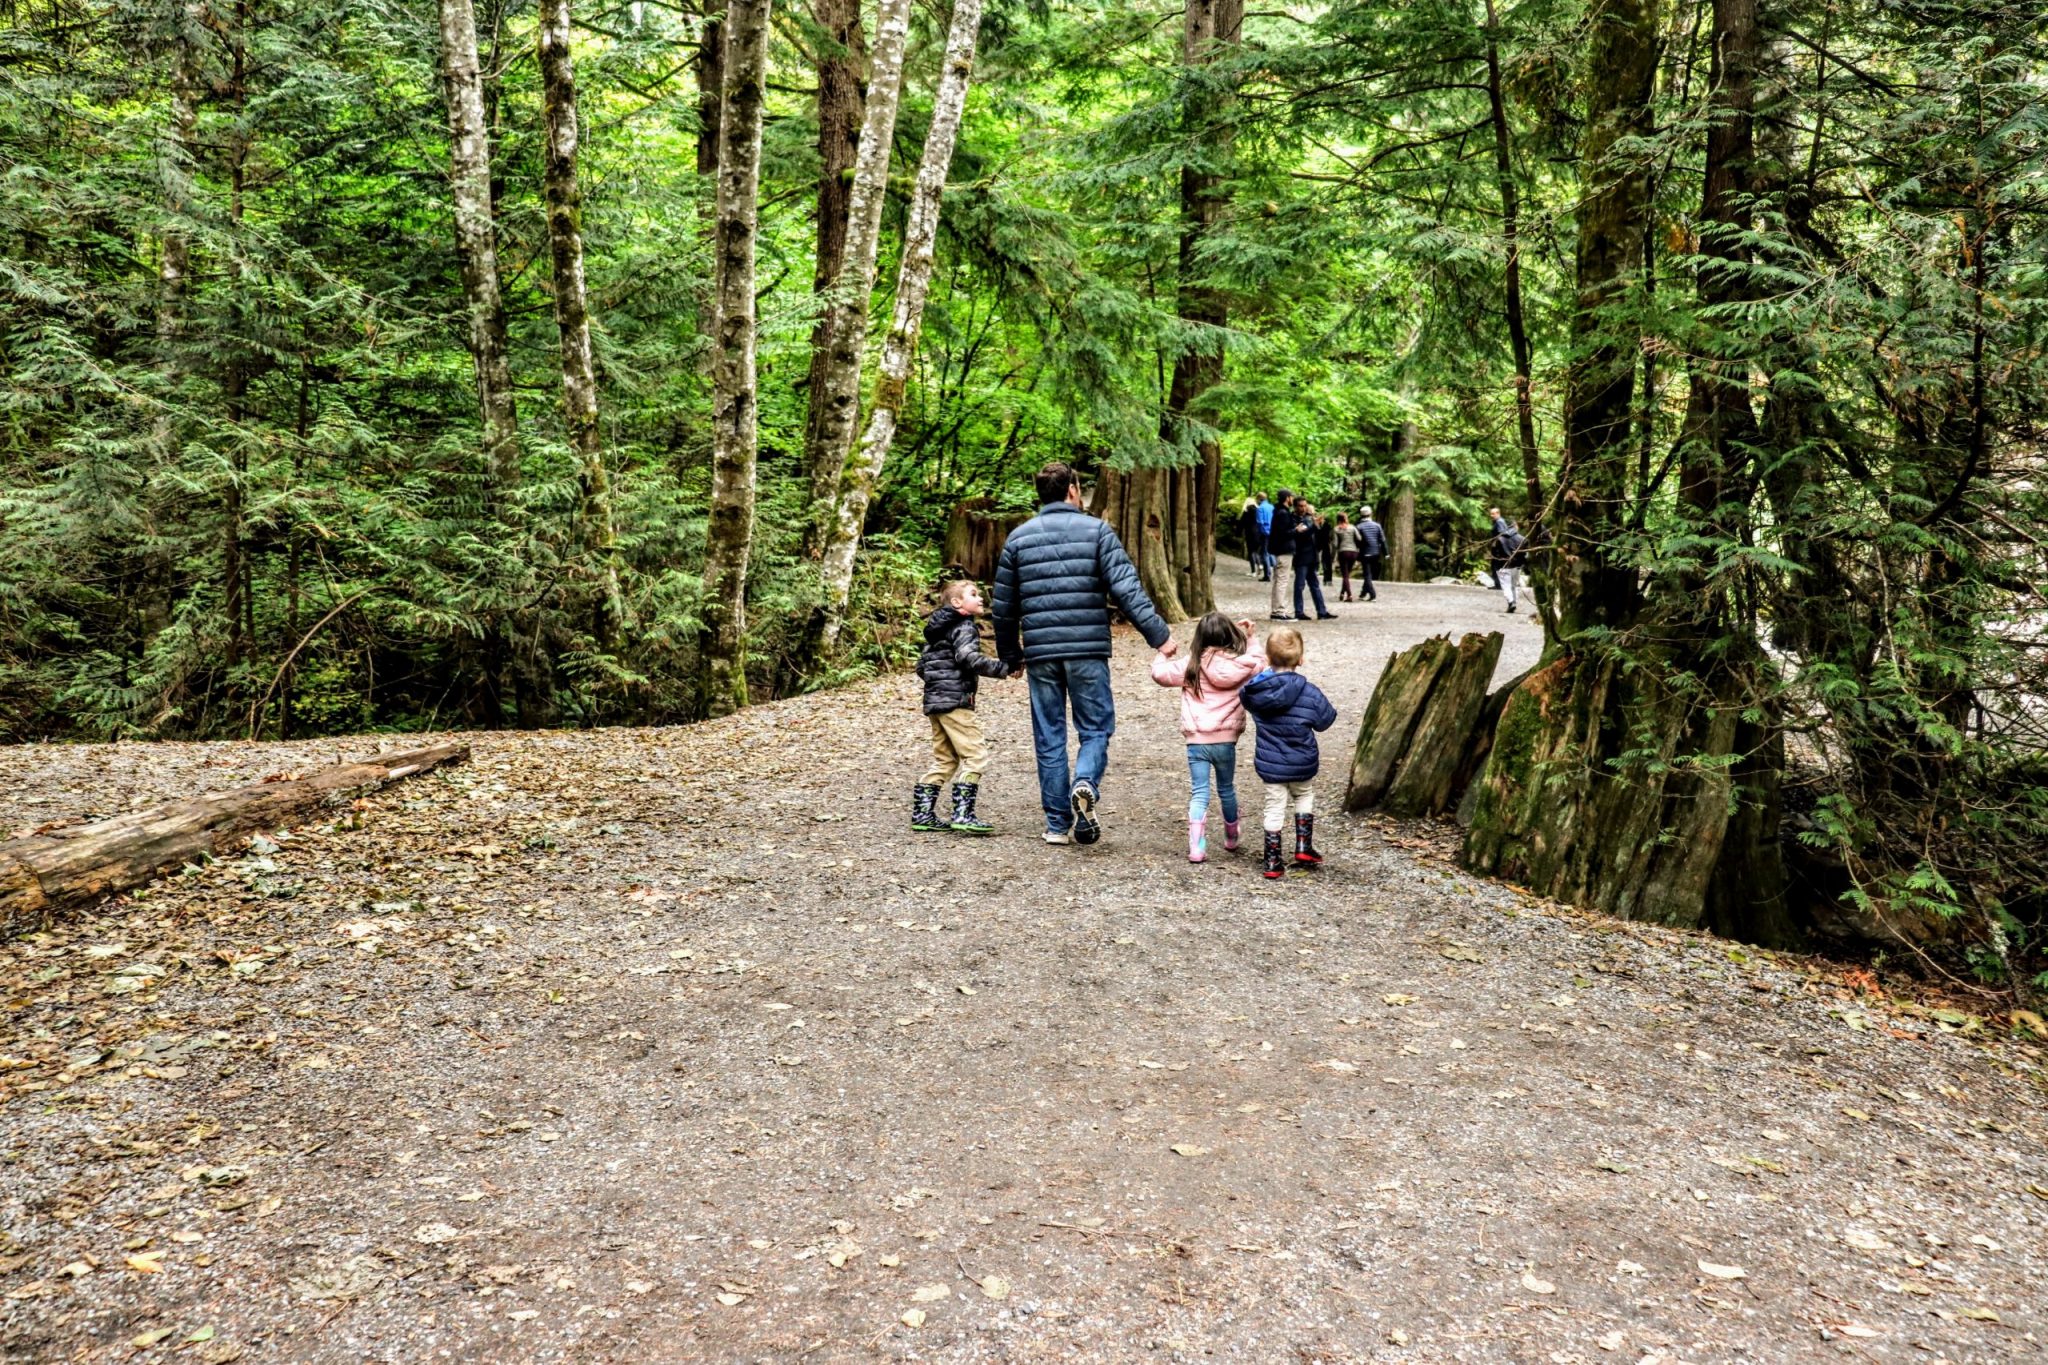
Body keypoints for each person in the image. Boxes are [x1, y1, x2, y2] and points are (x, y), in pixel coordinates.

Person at [993, 461, 1175, 846]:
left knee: (1049, 735)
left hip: (1041, 653)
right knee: (1095, 728)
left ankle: (1057, 824)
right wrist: (1159, 636)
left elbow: (1004, 607)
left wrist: (1011, 654)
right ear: (1073, 491)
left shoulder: (1018, 538)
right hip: (1087, 650)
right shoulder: (1097, 532)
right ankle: (1086, 782)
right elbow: (1126, 589)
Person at [1149, 611, 1264, 863]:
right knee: (1226, 789)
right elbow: (1260, 662)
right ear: (1230, 636)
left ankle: (1197, 847)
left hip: (1197, 742)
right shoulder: (1240, 665)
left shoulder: (1190, 665)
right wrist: (1251, 638)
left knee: (1199, 792)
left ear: (1199, 637)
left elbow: (1158, 674)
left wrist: (1163, 653)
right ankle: (1231, 836)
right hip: (1225, 741)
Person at [911, 579, 1016, 834]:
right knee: (975, 755)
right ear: (957, 603)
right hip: (956, 702)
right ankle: (963, 814)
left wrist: (938, 686)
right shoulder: (964, 625)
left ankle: (922, 814)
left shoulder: (936, 629)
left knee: (945, 759)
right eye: (974, 594)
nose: (980, 598)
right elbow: (968, 658)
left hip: (935, 703)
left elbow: (922, 667)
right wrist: (1003, 668)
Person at [1241, 627, 1338, 878]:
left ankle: (1272, 860)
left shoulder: (1257, 692)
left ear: (1268, 658)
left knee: (1274, 806)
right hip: (1302, 760)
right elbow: (1325, 721)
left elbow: (1244, 696)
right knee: (1303, 795)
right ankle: (1303, 846)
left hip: (1271, 763)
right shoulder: (1309, 692)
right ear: (1301, 659)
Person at [1290, 499, 1335, 622]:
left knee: (1315, 585)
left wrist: (1321, 525)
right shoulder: (1293, 520)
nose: (1303, 508)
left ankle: (1322, 611)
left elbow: (1318, 537)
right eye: (1301, 506)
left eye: (1305, 506)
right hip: (1301, 557)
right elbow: (1301, 536)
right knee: (1299, 585)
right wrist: (1314, 526)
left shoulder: (1307, 519)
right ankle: (1299, 612)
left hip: (1312, 556)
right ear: (1295, 507)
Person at [1265, 488, 1295, 618]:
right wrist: (1296, 530)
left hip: (1280, 550)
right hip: (1284, 550)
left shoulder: (1278, 512)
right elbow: (1283, 534)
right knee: (1282, 581)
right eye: (1291, 497)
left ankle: (1276, 609)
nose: (1293, 499)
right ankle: (1279, 610)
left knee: (1278, 580)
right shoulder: (1283, 513)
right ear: (1287, 498)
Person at [1489, 518, 1528, 614]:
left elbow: (1494, 551)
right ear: (1515, 526)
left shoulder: (1499, 539)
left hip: (1503, 565)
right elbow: (1525, 554)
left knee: (1506, 586)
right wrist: (1522, 563)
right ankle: (1514, 602)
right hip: (1517, 566)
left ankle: (1511, 602)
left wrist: (1497, 561)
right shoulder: (1522, 539)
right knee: (1514, 586)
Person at [1355, 504, 1385, 602]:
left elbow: (1357, 541)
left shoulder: (1358, 527)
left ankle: (1372, 595)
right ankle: (1363, 593)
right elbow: (1382, 540)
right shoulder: (1377, 526)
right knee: (1369, 574)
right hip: (1375, 553)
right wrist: (1386, 553)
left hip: (1365, 553)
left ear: (1361, 515)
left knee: (1367, 574)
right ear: (1370, 514)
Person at [1331, 513, 1362, 601]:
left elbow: (1335, 544)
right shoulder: (1352, 527)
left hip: (1343, 553)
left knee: (1345, 575)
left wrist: (1333, 557)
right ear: (1345, 518)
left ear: (1338, 519)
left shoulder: (1336, 529)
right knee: (1347, 575)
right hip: (1353, 552)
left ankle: (1349, 595)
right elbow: (1359, 538)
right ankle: (1342, 593)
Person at [1237, 495, 1264, 577]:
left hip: (1250, 533)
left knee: (1251, 552)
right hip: (1259, 533)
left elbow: (1241, 523)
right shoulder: (1258, 510)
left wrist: (1238, 533)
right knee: (1256, 551)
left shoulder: (1246, 512)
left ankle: (1253, 571)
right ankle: (1260, 565)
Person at [1254, 492, 1276, 581]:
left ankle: (1267, 575)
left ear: (1259, 499)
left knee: (1265, 553)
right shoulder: (1272, 507)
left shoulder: (1260, 508)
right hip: (1273, 532)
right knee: (1271, 552)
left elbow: (1259, 522)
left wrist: (1260, 532)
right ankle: (1276, 571)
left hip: (1264, 533)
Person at [1315, 511, 1336, 586]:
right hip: (1318, 545)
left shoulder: (1327, 525)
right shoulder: (1317, 526)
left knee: (1327, 563)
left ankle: (1328, 579)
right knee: (1319, 562)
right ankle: (1324, 578)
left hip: (1326, 545)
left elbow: (1330, 536)